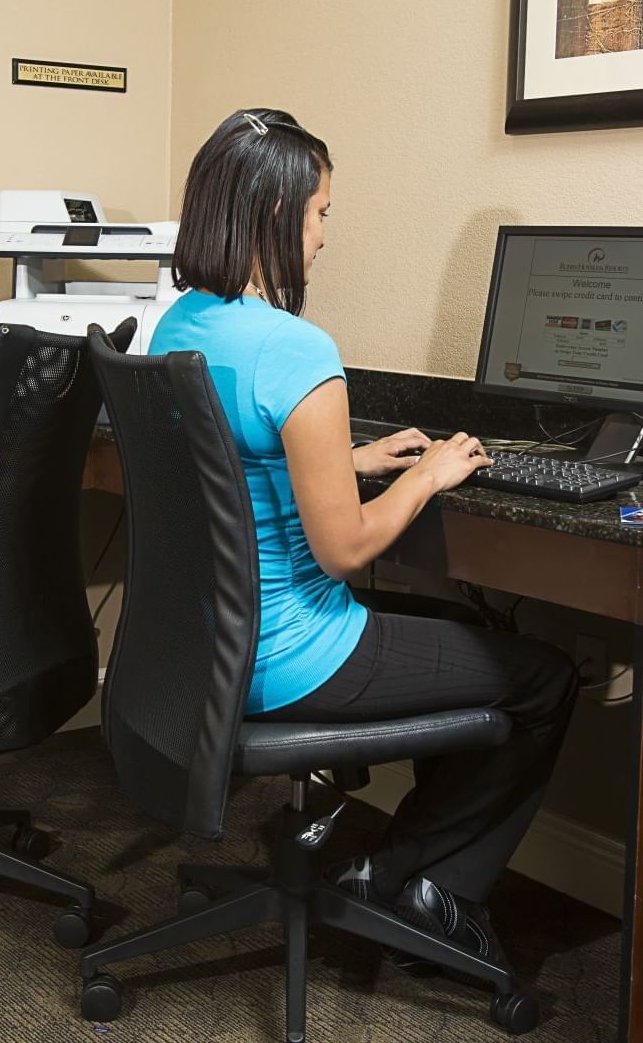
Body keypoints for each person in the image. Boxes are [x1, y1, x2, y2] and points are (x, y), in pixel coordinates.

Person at [148, 108, 579, 964]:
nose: (322, 237)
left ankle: (401, 873)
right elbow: (343, 552)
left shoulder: (181, 325)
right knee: (545, 679)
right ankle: (423, 885)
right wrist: (426, 473)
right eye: (319, 215)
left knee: (473, 639)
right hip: (296, 653)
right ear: (275, 217)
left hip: (208, 645)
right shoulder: (296, 349)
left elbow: (235, 462)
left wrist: (348, 458)